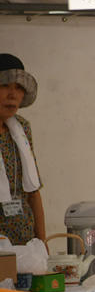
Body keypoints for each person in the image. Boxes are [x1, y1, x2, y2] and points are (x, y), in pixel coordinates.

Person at [0, 53, 45, 244]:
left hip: (26, 244)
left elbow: (33, 192)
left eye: (19, 88)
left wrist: (42, 243)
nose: (13, 94)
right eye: (4, 86)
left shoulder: (22, 128)